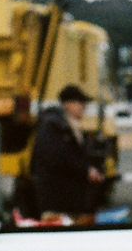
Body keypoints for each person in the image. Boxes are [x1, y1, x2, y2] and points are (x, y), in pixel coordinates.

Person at [29, 84, 105, 219]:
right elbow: (58, 157)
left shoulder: (67, 126)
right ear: (67, 104)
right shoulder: (54, 127)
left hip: (69, 199)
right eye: (79, 102)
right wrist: (86, 171)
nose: (83, 107)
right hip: (57, 199)